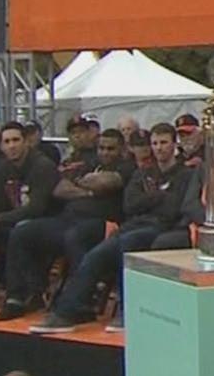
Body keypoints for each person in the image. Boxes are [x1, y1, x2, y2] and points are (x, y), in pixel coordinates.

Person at [30, 123, 199, 333]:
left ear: (174, 145)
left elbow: (173, 209)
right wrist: (158, 196)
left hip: (162, 227)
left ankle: (126, 311)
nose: (159, 148)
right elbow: (129, 205)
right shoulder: (143, 173)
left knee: (125, 246)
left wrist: (148, 198)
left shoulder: (185, 175)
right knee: (95, 254)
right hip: (133, 224)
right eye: (155, 143)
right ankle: (68, 311)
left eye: (164, 142)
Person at [0, 127, 134, 315]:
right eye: (102, 148)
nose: (105, 152)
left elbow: (108, 182)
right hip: (68, 218)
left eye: (110, 149)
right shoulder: (88, 164)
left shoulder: (127, 166)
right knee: (22, 232)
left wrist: (81, 182)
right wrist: (89, 190)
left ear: (121, 149)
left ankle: (78, 301)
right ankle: (21, 296)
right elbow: (58, 187)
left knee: (74, 237)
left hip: (102, 222)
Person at [0, 122, 62, 320]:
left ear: (26, 142)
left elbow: (37, 208)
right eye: (7, 142)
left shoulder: (42, 166)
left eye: (16, 140)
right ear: (1, 146)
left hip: (50, 221)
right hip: (16, 219)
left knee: (20, 230)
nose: (12, 146)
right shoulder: (3, 168)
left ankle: (16, 296)